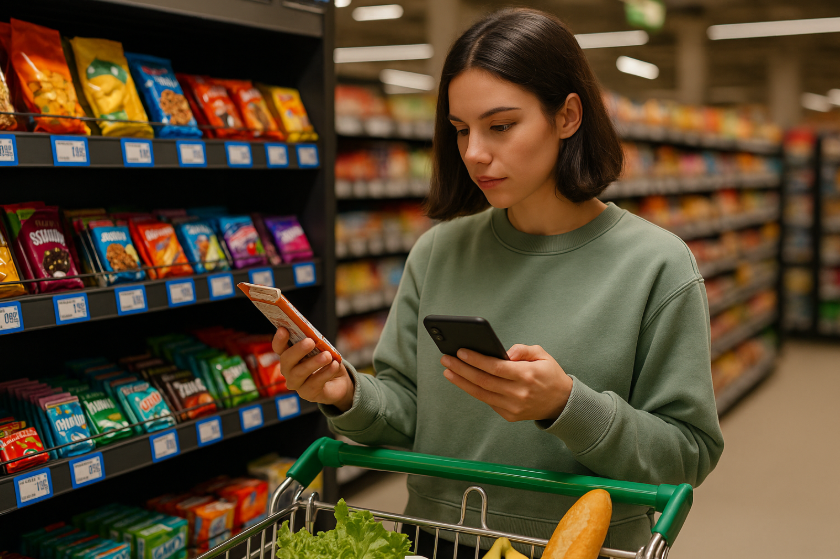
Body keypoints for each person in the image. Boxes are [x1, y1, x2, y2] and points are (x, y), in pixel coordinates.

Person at [272, 7, 724, 556]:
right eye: (461, 131)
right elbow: (411, 414)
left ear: (568, 116)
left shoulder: (658, 265)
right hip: (439, 539)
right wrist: (345, 394)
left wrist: (566, 406)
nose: (474, 153)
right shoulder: (438, 251)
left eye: (501, 126)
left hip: (581, 548)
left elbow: (689, 453)